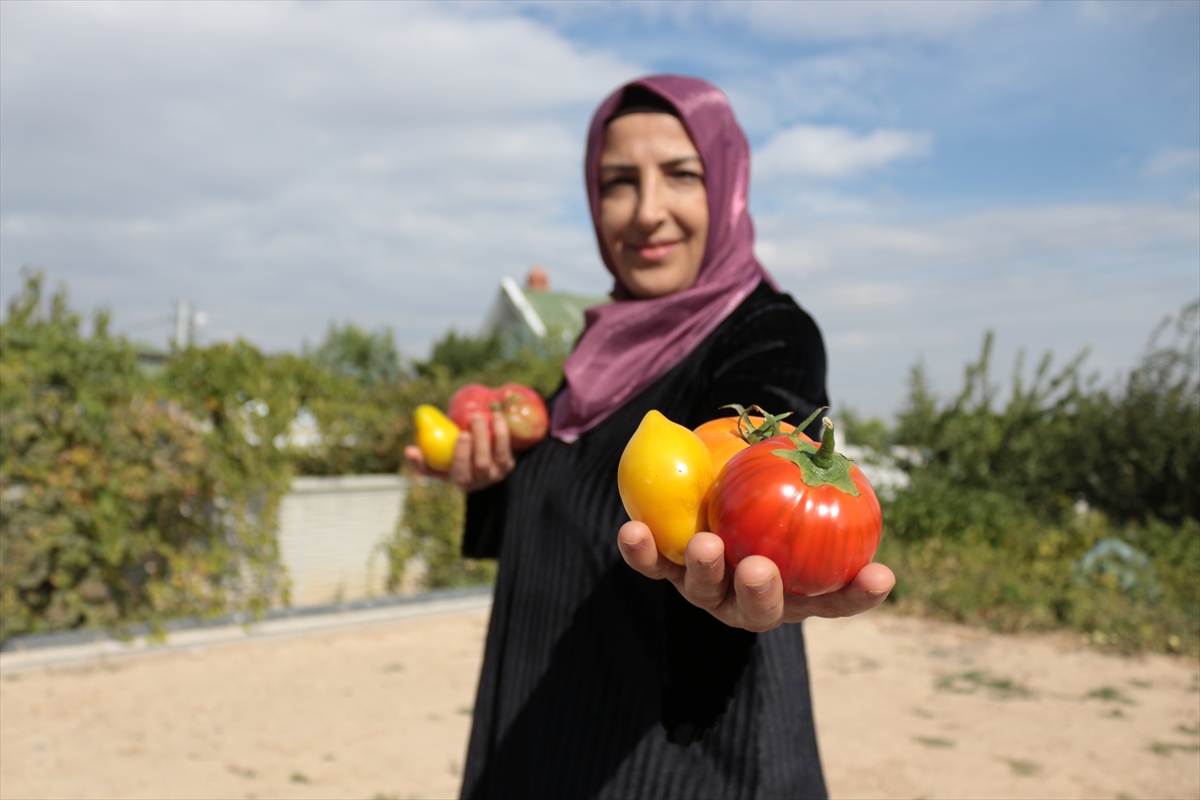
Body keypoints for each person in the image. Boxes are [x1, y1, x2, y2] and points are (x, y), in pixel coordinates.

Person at [405, 75, 895, 800]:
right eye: (618, 182)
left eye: (681, 174)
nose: (646, 211)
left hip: (682, 753)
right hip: (543, 731)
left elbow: (760, 454)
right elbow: (570, 512)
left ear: (727, 186)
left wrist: (763, 560)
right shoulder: (601, 353)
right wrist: (490, 481)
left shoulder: (768, 333)